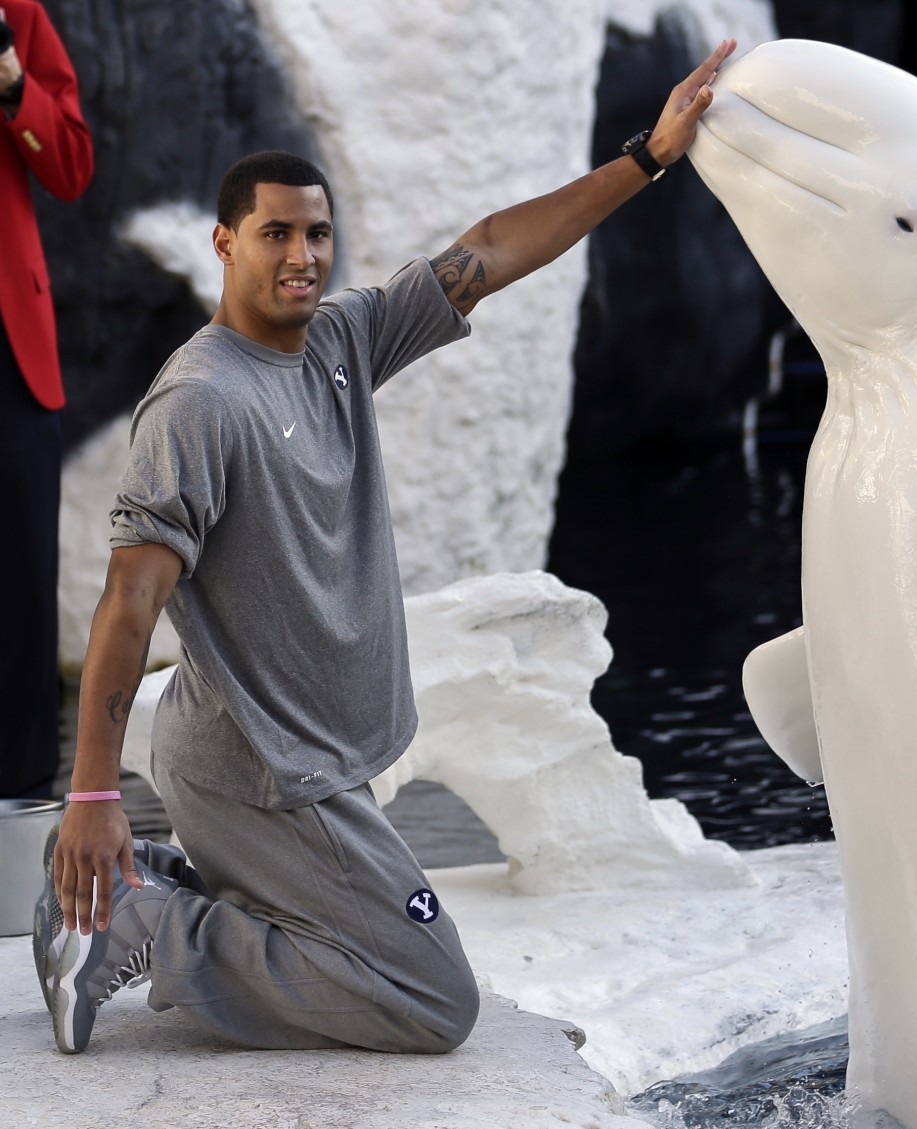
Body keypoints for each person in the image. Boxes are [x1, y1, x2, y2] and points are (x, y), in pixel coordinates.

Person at [34, 38, 737, 1056]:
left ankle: (169, 887)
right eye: (275, 234)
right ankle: (134, 923)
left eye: (317, 234)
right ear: (227, 245)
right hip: (263, 771)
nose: (302, 257)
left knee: (364, 951)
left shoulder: (341, 341)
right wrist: (92, 792)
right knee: (428, 996)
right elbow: (129, 604)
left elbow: (490, 249)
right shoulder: (200, 402)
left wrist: (650, 155)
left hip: (309, 760)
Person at [0, 1, 94, 799]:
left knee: (21, 580)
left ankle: (23, 801)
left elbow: (70, 166)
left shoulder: (15, 14)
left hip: (10, 348)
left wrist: (10, 80)